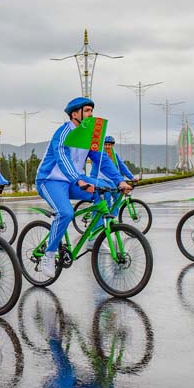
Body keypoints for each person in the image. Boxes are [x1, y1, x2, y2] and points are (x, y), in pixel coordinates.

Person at [34, 97, 123, 277]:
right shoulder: (63, 133)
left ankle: (92, 237)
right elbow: (62, 159)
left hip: (74, 180)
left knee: (108, 191)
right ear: (75, 114)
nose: (91, 114)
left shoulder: (88, 135)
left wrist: (119, 180)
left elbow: (102, 159)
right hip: (50, 180)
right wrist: (79, 180)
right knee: (66, 213)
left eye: (92, 110)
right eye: (87, 111)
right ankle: (49, 254)